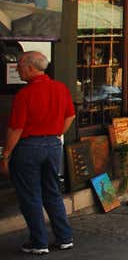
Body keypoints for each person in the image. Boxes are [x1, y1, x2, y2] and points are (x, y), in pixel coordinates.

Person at [1, 52, 75, 254]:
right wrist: (57, 132)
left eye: (19, 66)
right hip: (52, 145)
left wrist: (6, 154)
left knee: (30, 195)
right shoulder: (60, 88)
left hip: (29, 147)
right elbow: (71, 115)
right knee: (52, 192)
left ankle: (38, 242)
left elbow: (16, 129)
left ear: (30, 68)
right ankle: (64, 237)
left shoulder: (25, 94)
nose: (17, 69)